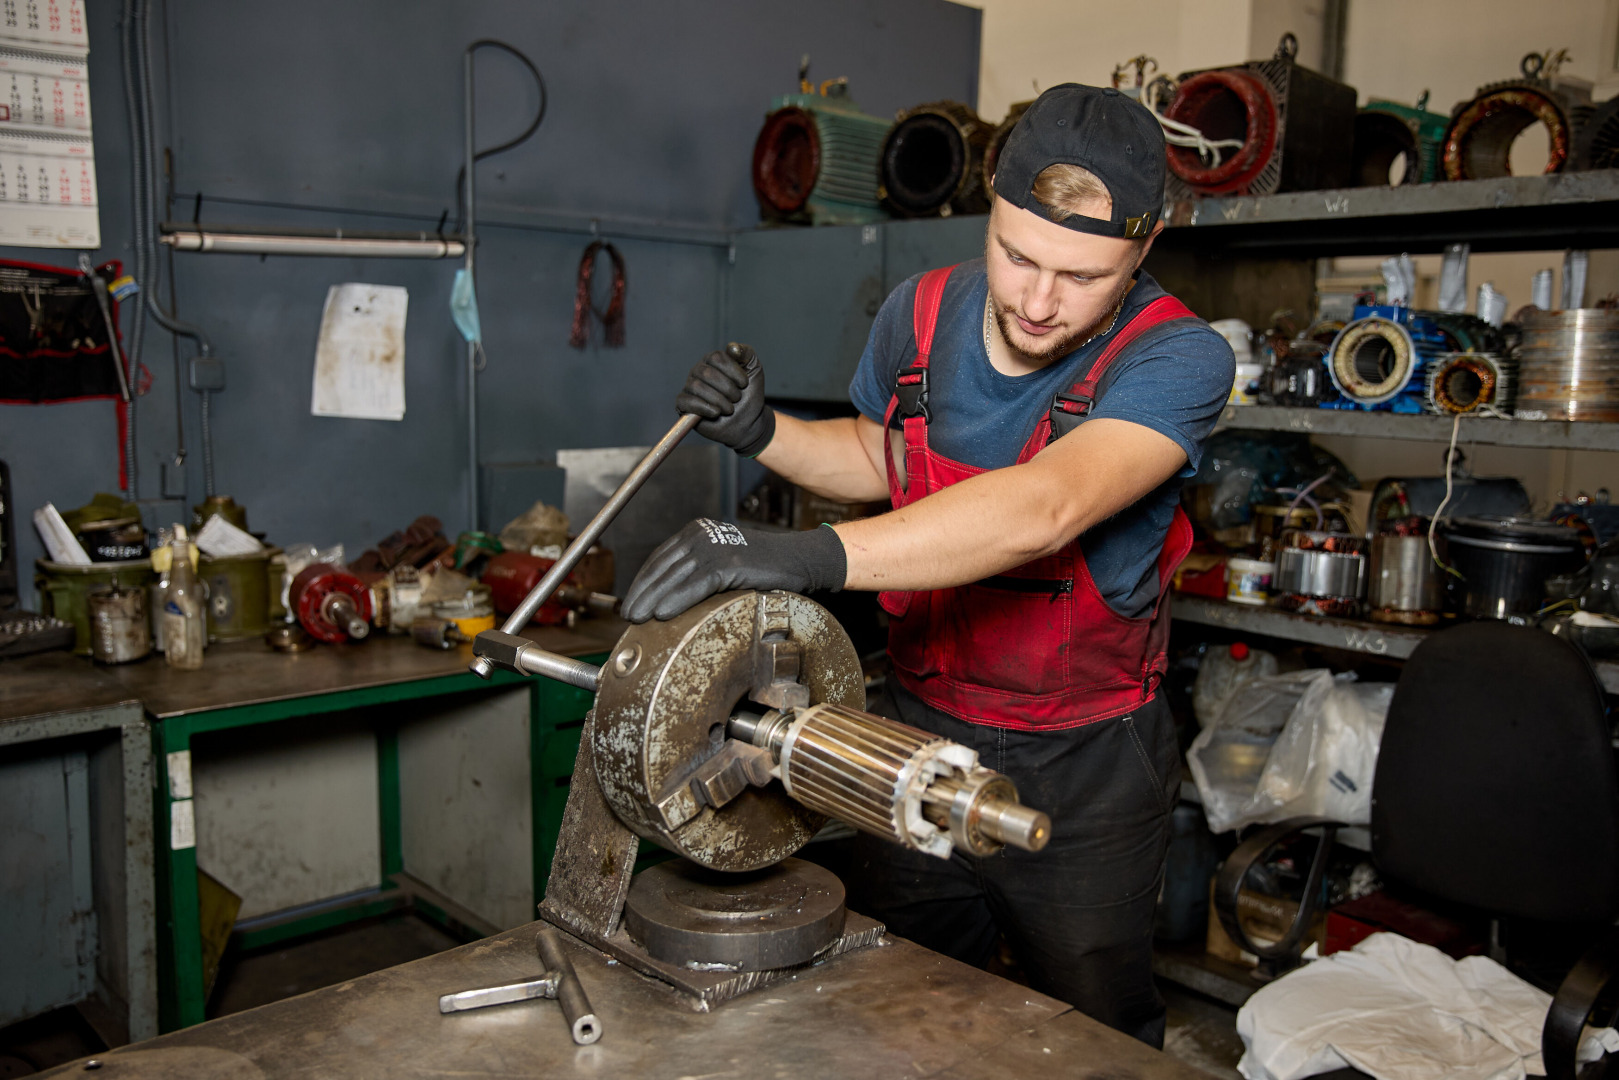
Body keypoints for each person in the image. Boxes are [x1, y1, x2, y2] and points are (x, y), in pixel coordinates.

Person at [620, 84, 1234, 1047]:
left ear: (1144, 248)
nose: (1037, 301)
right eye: (1017, 255)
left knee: (1092, 1035)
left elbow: (1045, 508)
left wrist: (792, 556)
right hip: (909, 732)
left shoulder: (1179, 359)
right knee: (894, 1003)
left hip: (1084, 763)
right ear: (987, 206)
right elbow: (879, 459)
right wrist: (762, 430)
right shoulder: (921, 311)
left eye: (1081, 277)